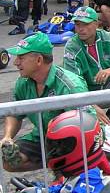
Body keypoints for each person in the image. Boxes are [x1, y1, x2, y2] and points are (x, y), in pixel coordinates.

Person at [1, 32, 89, 172]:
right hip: (42, 138)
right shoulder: (23, 82)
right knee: (10, 161)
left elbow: (87, 126)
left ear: (39, 60)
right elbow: (14, 112)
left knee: (68, 175)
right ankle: (54, 164)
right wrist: (7, 137)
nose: (16, 62)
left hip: (70, 142)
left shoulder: (70, 86)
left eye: (21, 58)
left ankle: (64, 167)